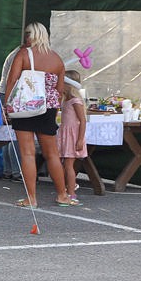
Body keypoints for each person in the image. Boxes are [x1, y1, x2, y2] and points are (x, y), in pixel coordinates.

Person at [4, 22, 70, 208]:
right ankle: (62, 195)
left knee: (27, 153)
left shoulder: (24, 54)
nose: (25, 38)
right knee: (52, 154)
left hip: (25, 106)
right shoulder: (57, 59)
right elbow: (59, 89)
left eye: (27, 34)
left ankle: (31, 198)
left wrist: (7, 104)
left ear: (33, 35)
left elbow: (12, 80)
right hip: (48, 108)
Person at [57, 70, 87, 205]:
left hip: (72, 136)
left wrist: (80, 139)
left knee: (69, 164)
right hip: (65, 133)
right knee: (64, 163)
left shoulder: (75, 101)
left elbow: (82, 120)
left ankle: (72, 193)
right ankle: (66, 188)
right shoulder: (66, 100)